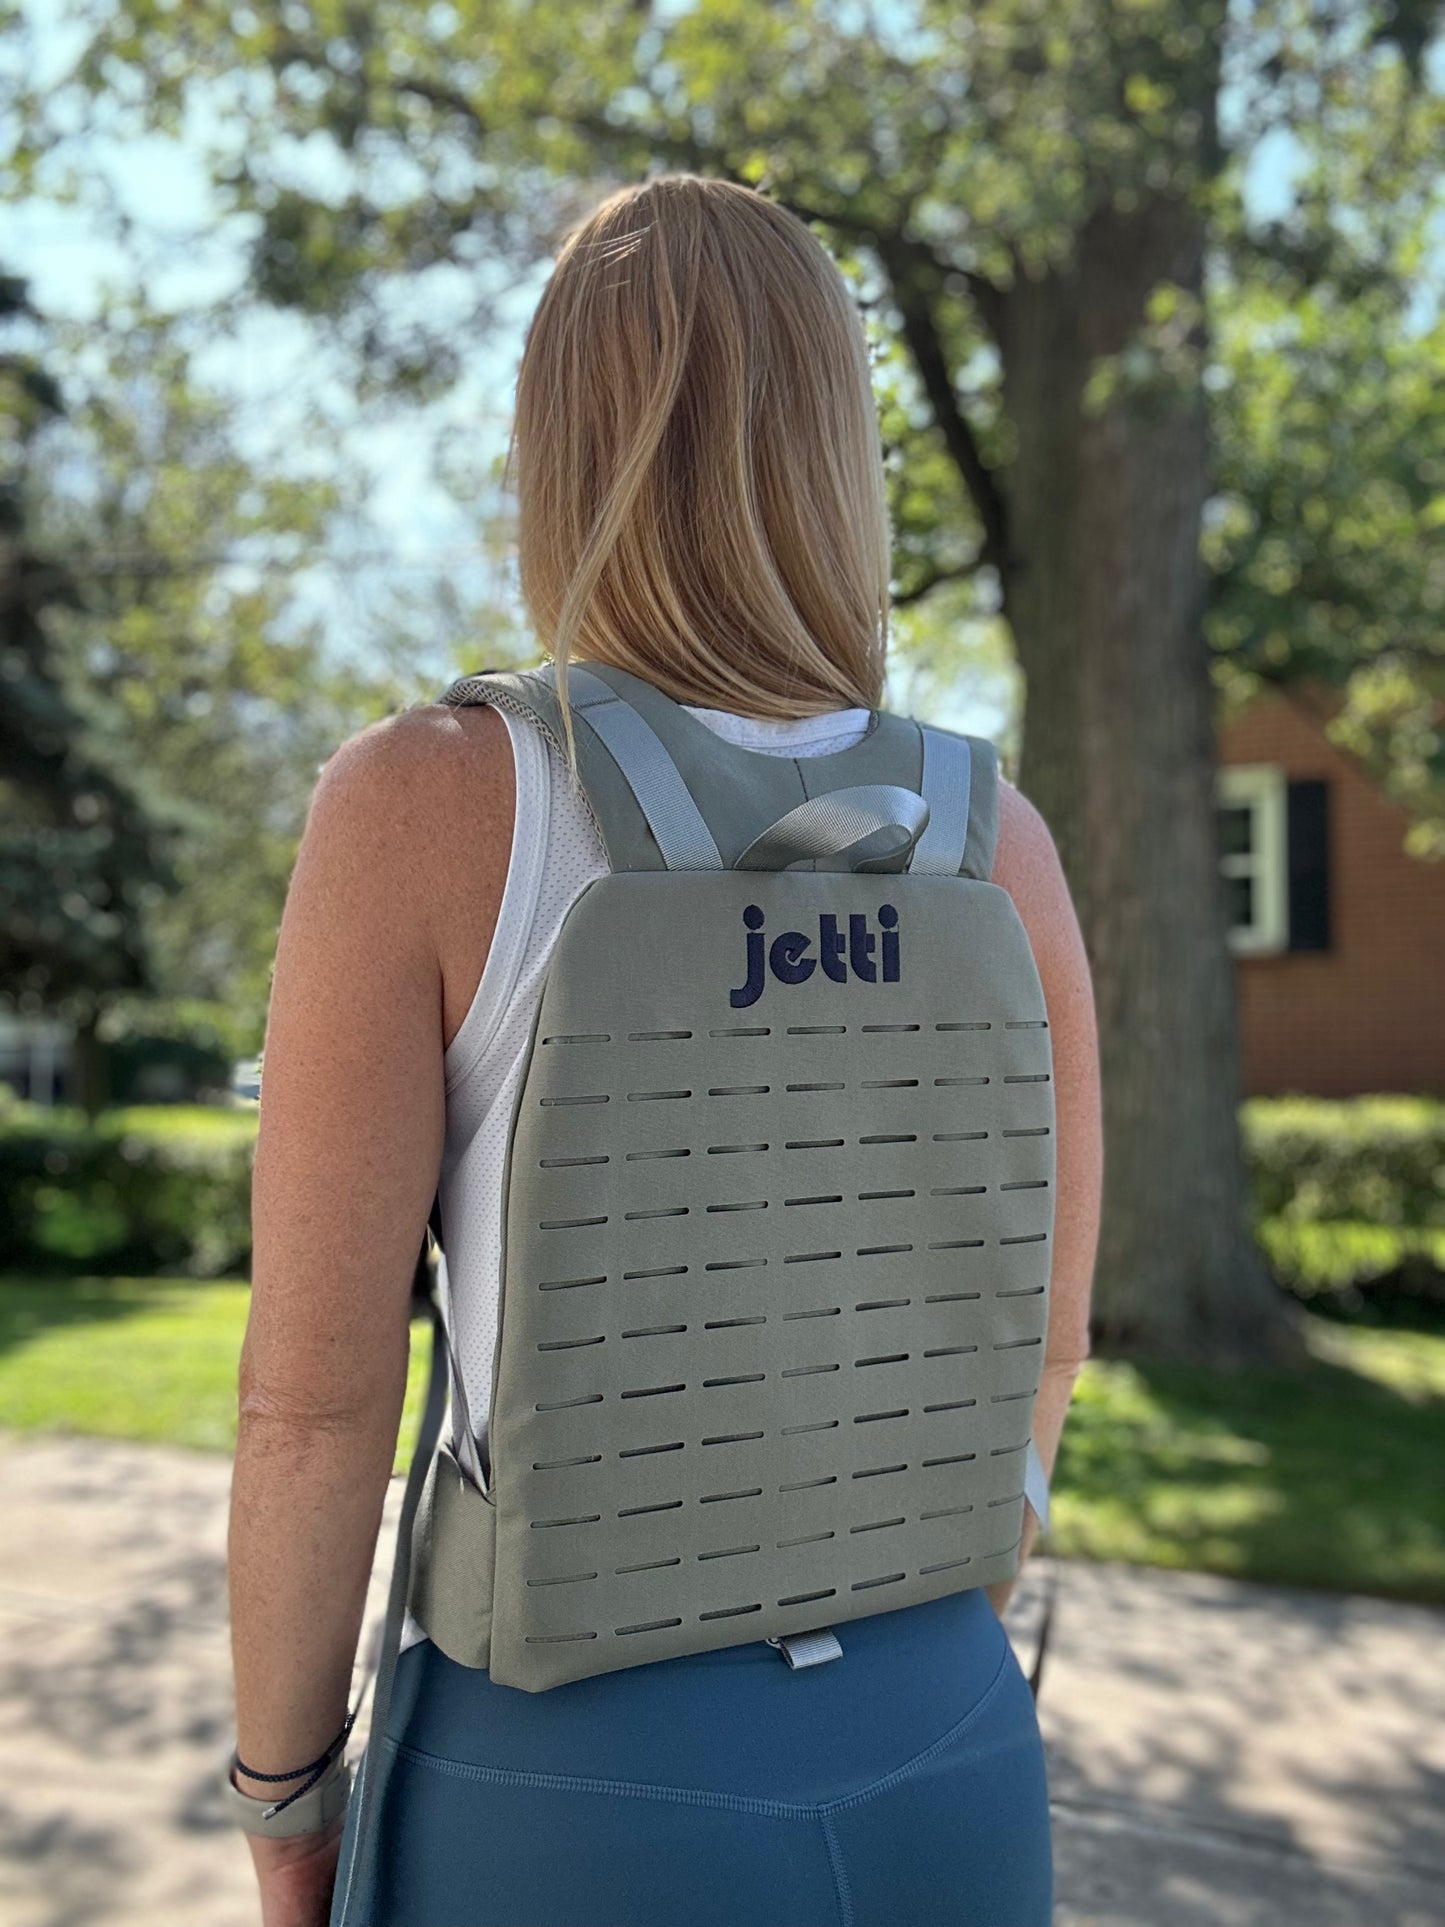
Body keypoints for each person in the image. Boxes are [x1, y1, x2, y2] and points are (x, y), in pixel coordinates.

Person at [226, 172, 1102, 1927]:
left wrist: (285, 1806)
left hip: (567, 1788)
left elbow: (314, 1415)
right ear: (837, 453)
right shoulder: (998, 843)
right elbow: (1042, 1359)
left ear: (559, 450)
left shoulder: (428, 803)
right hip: (950, 1750)